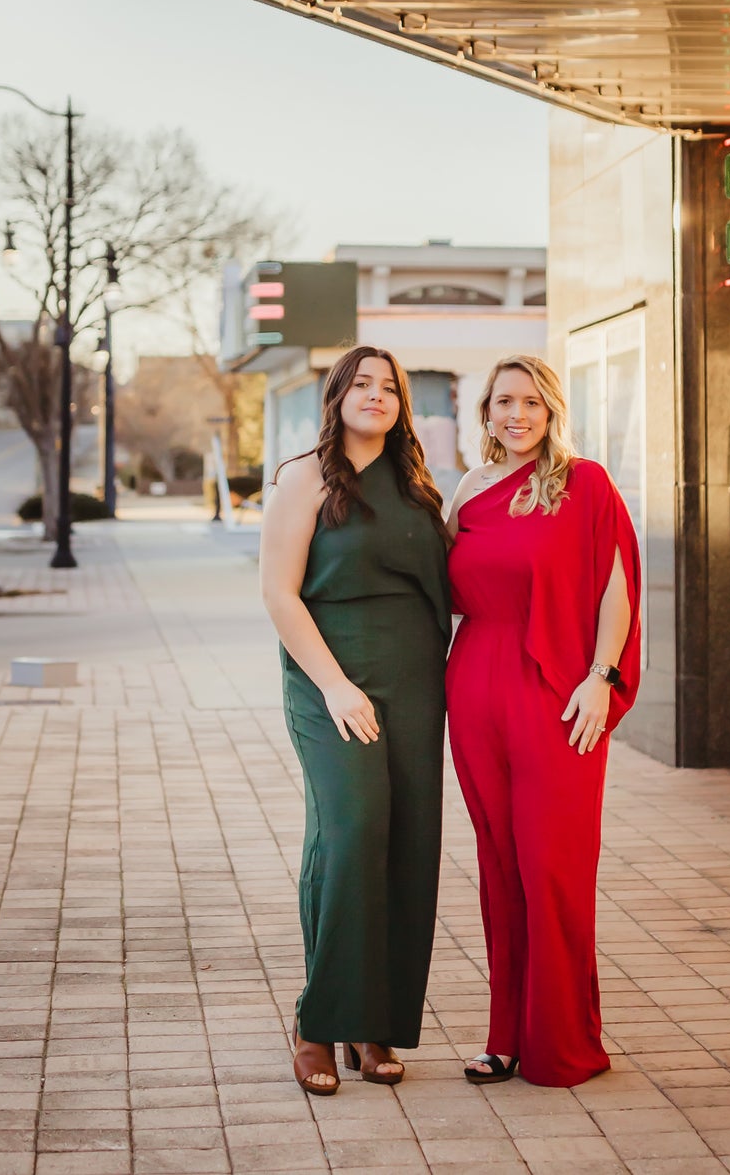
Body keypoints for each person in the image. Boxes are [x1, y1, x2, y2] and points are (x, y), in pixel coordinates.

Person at [446, 354, 641, 1088]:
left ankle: (563, 1041)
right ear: (485, 412)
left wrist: (602, 676)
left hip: (559, 693)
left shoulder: (585, 482)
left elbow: (615, 587)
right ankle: (504, 1036)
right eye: (502, 401)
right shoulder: (467, 488)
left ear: (551, 408)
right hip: (473, 688)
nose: (516, 414)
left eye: (530, 401)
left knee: (551, 869)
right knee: (499, 869)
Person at [260, 345, 450, 1096]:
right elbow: (279, 593)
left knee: (408, 841)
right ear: (336, 395)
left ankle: (377, 1024)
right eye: (362, 384)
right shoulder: (303, 475)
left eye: (390, 387)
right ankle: (317, 1022)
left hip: (414, 678)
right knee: (350, 831)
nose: (376, 396)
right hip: (329, 677)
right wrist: (336, 685)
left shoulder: (418, 484)